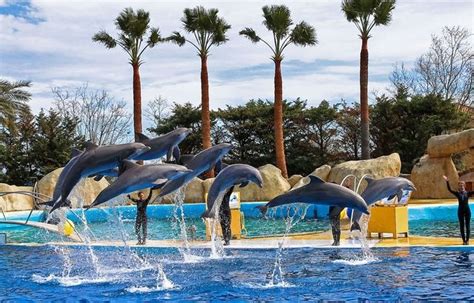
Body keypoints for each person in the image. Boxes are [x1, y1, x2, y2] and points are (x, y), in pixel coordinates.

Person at [444, 175, 473, 245]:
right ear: (459, 187)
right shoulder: (457, 193)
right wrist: (447, 181)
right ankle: (463, 241)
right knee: (462, 226)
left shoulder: (468, 193)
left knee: (468, 225)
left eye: (462, 185)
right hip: (460, 211)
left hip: (467, 211)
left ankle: (467, 240)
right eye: (460, 185)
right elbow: (449, 190)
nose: (461, 186)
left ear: (464, 186)